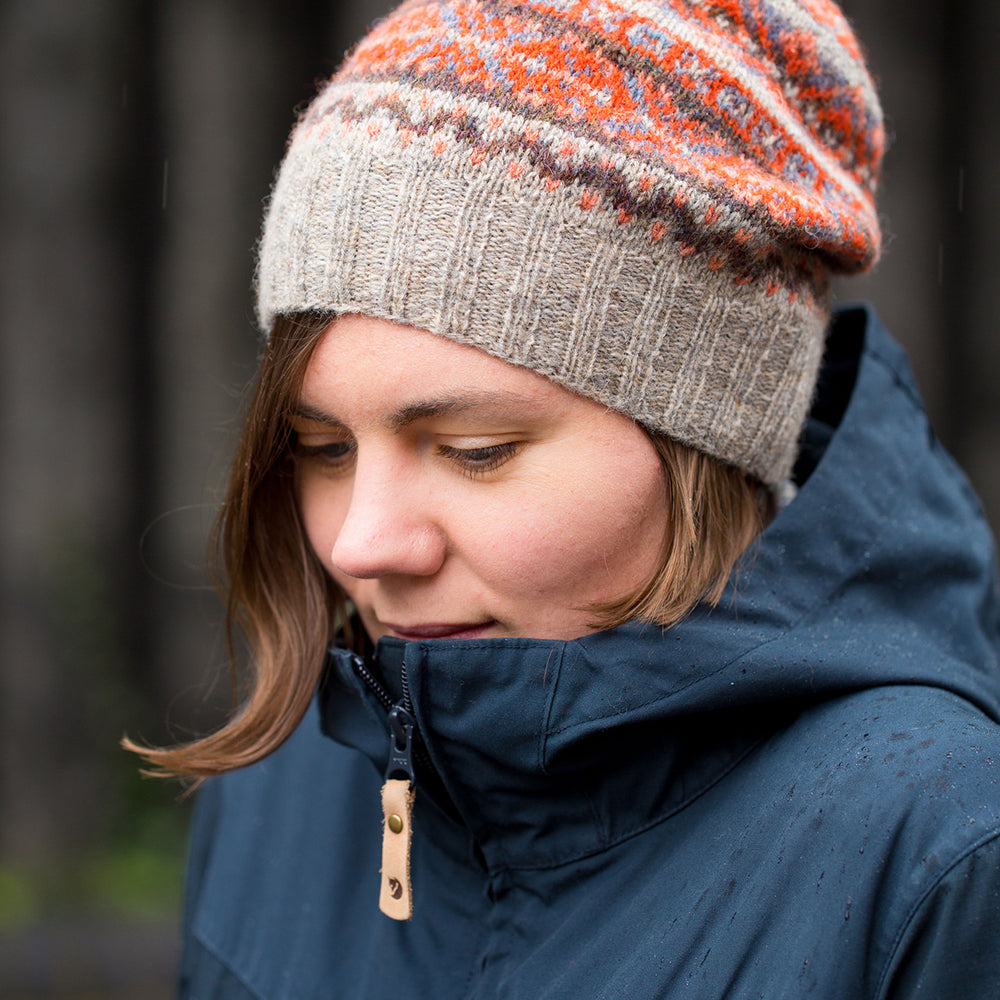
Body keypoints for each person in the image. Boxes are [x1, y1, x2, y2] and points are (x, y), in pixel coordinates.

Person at [129, 0, 1000, 996]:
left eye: (475, 450)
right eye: (322, 448)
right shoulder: (289, 774)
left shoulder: (941, 854)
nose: (364, 542)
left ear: (709, 443)